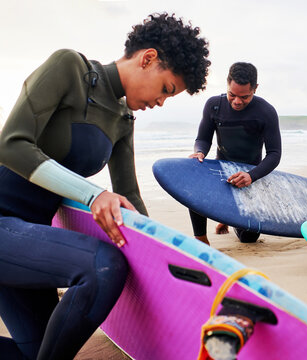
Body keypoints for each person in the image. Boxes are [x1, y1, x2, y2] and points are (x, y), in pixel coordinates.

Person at [0, 12, 210, 359]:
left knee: (37, 352)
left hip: (27, 237)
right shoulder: (69, 68)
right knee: (102, 266)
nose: (161, 102)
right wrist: (92, 193)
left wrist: (170, 256)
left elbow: (129, 197)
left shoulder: (124, 120)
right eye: (166, 89)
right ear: (148, 58)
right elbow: (11, 145)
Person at [188, 62, 281, 245]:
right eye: (232, 95)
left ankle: (227, 216)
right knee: (195, 180)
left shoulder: (266, 112)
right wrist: (199, 152)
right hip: (221, 171)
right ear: (227, 84)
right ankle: (201, 240)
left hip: (249, 175)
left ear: (255, 88)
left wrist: (251, 176)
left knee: (249, 238)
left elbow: (274, 153)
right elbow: (203, 139)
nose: (237, 101)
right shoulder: (214, 105)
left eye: (245, 96)